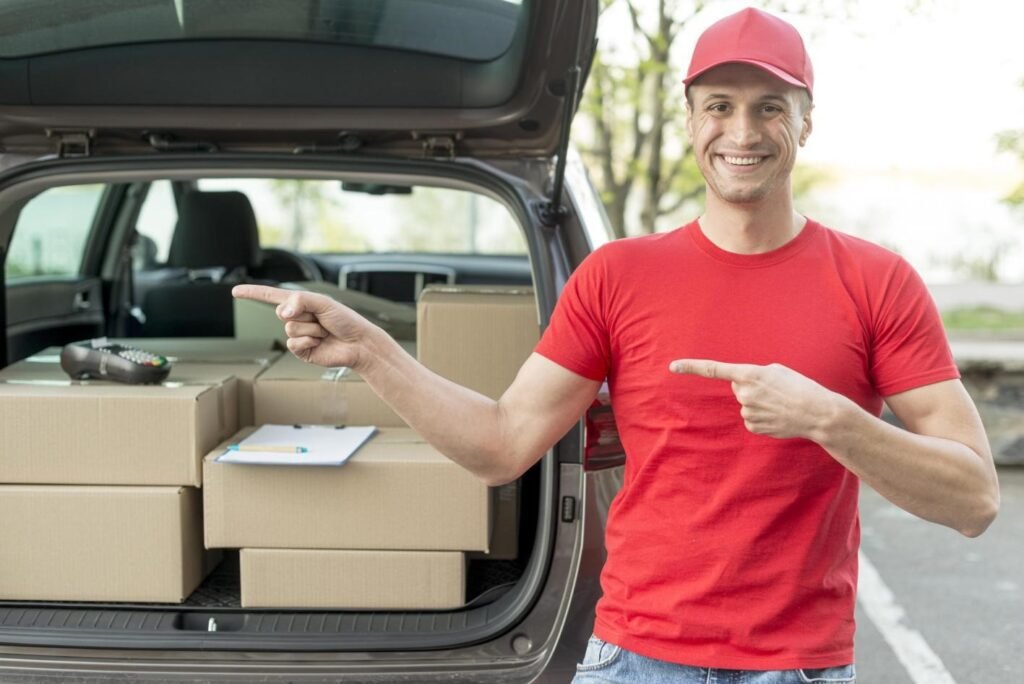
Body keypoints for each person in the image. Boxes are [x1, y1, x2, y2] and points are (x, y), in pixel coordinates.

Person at [233, 7, 1000, 682]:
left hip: (797, 665)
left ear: (805, 122)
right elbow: (501, 446)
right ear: (690, 118)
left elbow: (974, 501)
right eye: (720, 106)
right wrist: (371, 352)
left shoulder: (876, 282)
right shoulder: (617, 276)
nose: (742, 132)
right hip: (635, 659)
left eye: (770, 107)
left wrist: (832, 420)